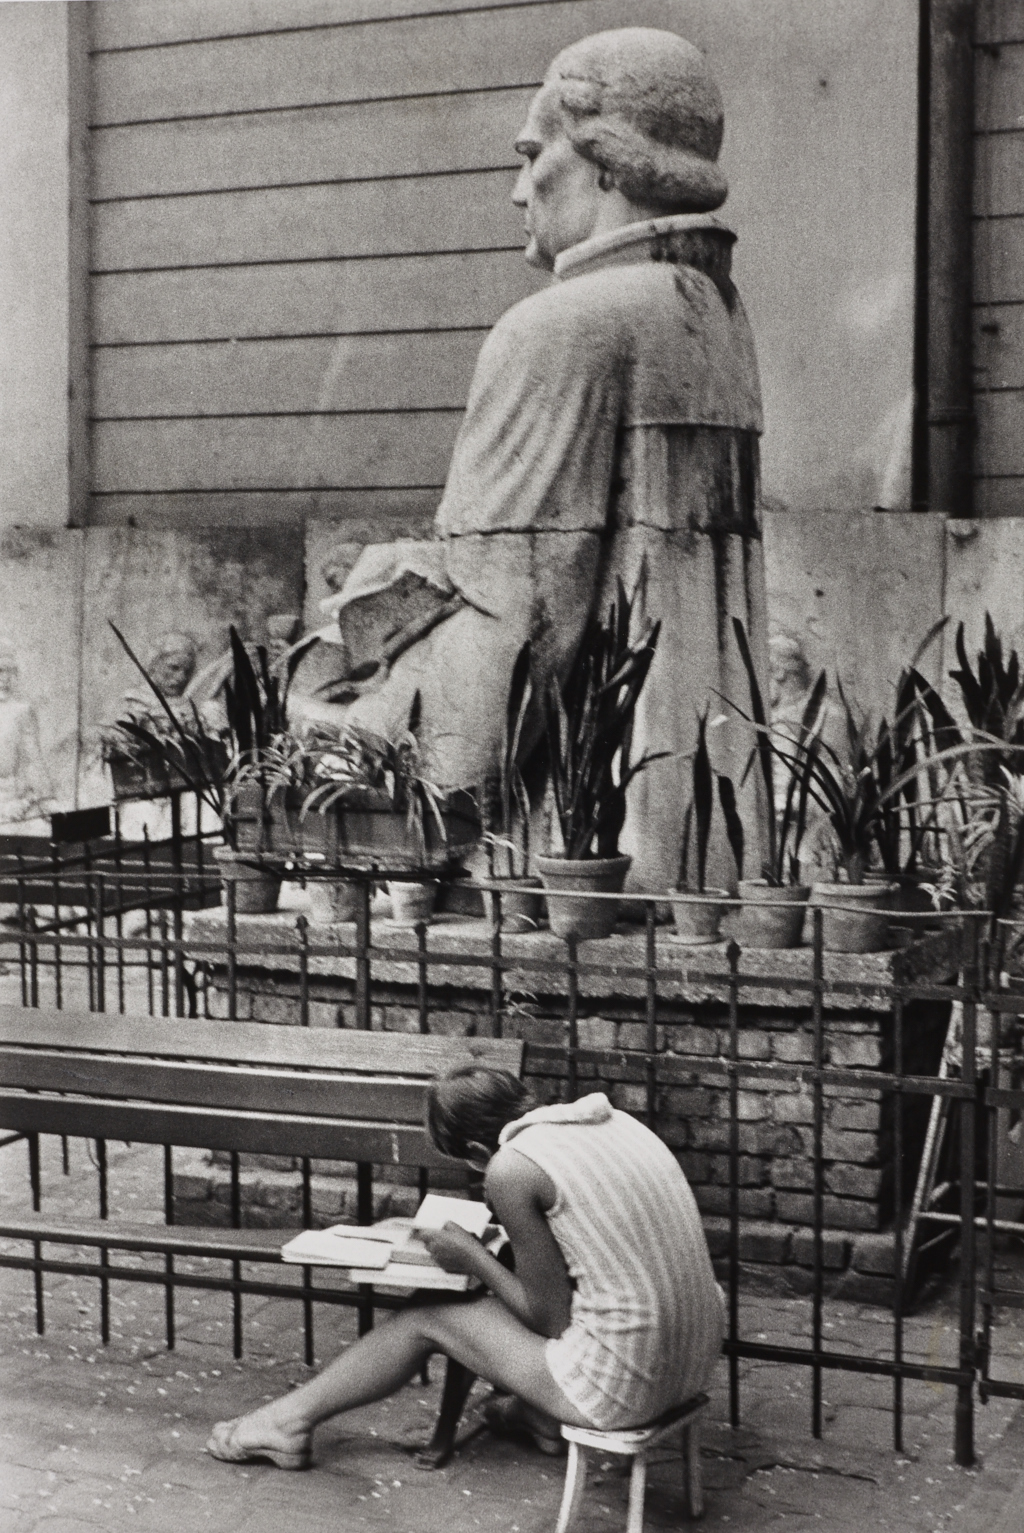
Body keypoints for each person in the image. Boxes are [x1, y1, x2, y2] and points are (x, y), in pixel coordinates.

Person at [288, 26, 768, 892]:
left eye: (533, 152)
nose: (519, 190)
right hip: (702, 836)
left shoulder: (559, 326)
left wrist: (363, 730)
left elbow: (514, 617)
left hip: (560, 845)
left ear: (608, 161)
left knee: (303, 710)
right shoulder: (711, 311)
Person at [206, 1066, 724, 1469]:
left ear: (478, 1149)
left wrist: (471, 1256)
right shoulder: (612, 1122)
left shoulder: (513, 1166)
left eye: (471, 1164)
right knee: (492, 1311)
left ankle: (287, 1423)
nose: (479, 1173)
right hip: (695, 1359)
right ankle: (539, 1416)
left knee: (428, 1314)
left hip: (626, 1387)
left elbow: (550, 1319)